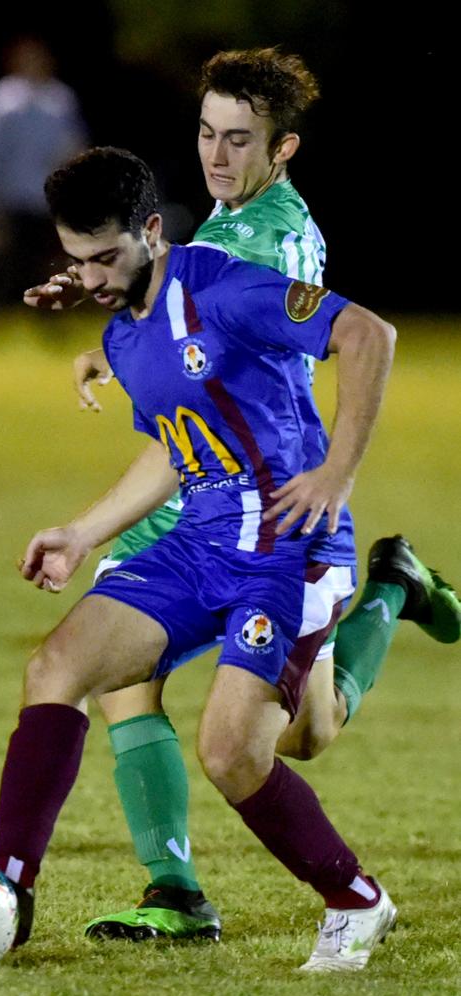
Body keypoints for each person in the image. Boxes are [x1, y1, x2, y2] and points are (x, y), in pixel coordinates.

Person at [23, 49, 461, 943]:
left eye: (239, 141)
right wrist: (105, 297)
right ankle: (175, 886)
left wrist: (119, 315)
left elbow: (236, 325)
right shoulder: (230, 212)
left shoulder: (276, 241)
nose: (216, 157)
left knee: (298, 736)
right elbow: (173, 292)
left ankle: (386, 593)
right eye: (206, 134)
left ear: (282, 148)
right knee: (117, 669)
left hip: (261, 494)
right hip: (198, 481)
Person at [0, 145, 401, 973]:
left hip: (286, 546)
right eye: (78, 261)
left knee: (235, 754)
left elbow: (367, 334)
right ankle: (5, 891)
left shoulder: (225, 286)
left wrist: (338, 471)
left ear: (151, 230)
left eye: (106, 258)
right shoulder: (126, 333)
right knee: (56, 668)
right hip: (202, 539)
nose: (93, 278)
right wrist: (81, 532)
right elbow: (176, 453)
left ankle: (358, 902)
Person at [0, 35, 88, 303]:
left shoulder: (60, 100)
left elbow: (74, 148)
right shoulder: (1, 101)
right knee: (7, 267)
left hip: (48, 203)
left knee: (49, 268)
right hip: (11, 201)